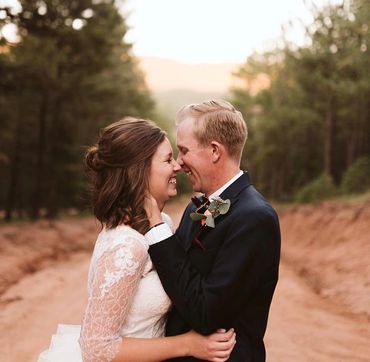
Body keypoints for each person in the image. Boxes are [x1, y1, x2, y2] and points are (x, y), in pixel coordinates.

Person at [38, 117, 236, 362]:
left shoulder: (160, 223)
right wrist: (187, 344)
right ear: (139, 171)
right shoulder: (127, 245)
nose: (177, 166)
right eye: (167, 159)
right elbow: (96, 348)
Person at [145, 100, 281, 361]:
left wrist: (157, 228)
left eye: (184, 150)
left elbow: (205, 314)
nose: (180, 163)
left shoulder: (255, 218)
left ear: (215, 151)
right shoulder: (202, 206)